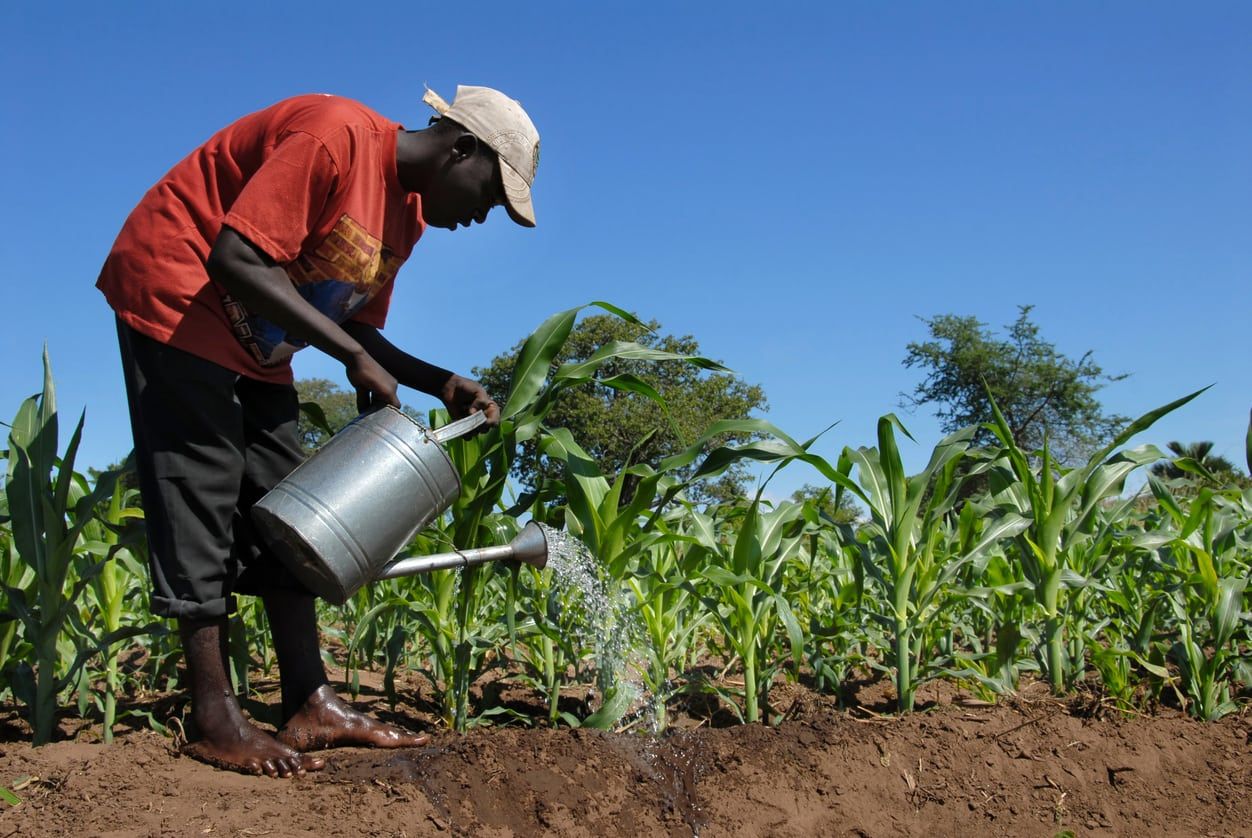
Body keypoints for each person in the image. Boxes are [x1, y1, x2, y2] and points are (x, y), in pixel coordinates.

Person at [96, 85, 540, 778]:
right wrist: (350, 357)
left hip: (260, 339)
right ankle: (213, 715)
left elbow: (354, 324)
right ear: (461, 149)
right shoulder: (334, 136)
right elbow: (235, 259)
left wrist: (438, 380)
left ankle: (311, 702)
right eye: (491, 194)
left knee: (292, 499)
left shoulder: (407, 221)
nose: (485, 215)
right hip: (181, 290)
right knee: (201, 491)